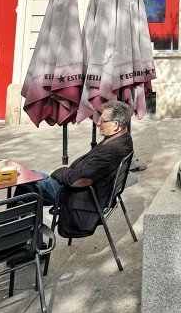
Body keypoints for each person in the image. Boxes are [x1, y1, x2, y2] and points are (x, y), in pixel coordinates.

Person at [15, 100, 133, 237]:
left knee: (26, 183)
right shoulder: (122, 138)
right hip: (80, 189)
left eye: (103, 121)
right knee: (31, 176)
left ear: (116, 125)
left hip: (78, 195)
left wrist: (61, 171)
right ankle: (19, 236)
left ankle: (16, 237)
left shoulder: (113, 149)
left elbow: (80, 180)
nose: (98, 123)